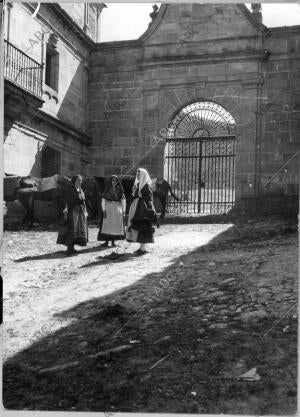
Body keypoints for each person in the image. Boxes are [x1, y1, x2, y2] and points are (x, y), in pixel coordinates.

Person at [126, 168, 158, 254]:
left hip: (143, 210)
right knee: (139, 227)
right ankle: (141, 247)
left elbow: (149, 199)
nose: (137, 176)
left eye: (139, 174)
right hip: (138, 208)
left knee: (143, 227)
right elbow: (136, 196)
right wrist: (135, 192)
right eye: (137, 174)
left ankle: (143, 248)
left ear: (143, 175)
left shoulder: (146, 186)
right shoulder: (139, 184)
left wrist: (141, 196)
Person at [57, 174, 88, 255]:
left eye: (81, 181)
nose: (80, 182)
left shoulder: (80, 190)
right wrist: (65, 209)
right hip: (72, 213)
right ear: (74, 181)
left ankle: (72, 248)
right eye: (78, 181)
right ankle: (69, 249)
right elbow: (66, 201)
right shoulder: (70, 190)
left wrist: (86, 211)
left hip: (80, 213)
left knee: (77, 231)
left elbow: (83, 201)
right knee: (71, 230)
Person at [97, 175, 126, 247]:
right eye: (113, 180)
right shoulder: (107, 189)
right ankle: (106, 242)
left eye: (115, 180)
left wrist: (124, 210)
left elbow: (123, 200)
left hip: (116, 209)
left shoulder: (120, 189)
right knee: (107, 225)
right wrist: (103, 210)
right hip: (108, 208)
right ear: (110, 181)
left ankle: (113, 242)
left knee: (114, 226)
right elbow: (103, 200)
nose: (114, 182)